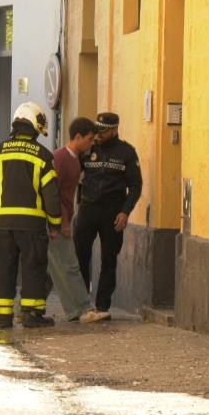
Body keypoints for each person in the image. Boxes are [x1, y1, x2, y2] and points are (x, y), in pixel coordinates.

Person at [0, 102, 62, 329]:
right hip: (32, 225)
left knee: (4, 269)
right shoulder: (43, 156)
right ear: (35, 126)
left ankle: (2, 316)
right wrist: (55, 224)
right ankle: (31, 314)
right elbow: (51, 195)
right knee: (33, 268)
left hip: (2, 225)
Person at [73, 112, 143, 314]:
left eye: (104, 131)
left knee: (109, 258)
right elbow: (73, 173)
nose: (99, 135)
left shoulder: (126, 152)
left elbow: (136, 186)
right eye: (97, 130)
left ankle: (103, 305)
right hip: (88, 207)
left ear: (114, 129)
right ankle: (81, 303)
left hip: (112, 211)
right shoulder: (88, 148)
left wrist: (125, 212)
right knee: (80, 254)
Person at [49, 117, 109, 323]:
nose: (92, 144)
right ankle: (84, 309)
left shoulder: (75, 159)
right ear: (78, 137)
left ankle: (29, 310)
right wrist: (62, 222)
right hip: (56, 222)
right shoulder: (60, 158)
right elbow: (53, 193)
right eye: (90, 139)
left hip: (60, 220)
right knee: (70, 265)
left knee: (53, 269)